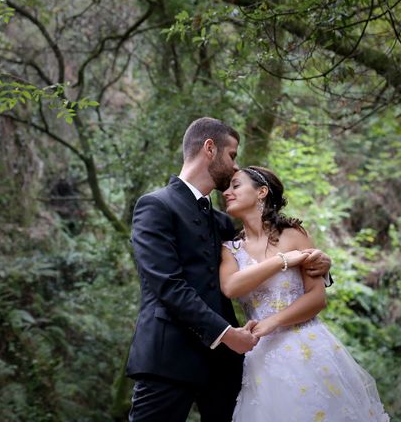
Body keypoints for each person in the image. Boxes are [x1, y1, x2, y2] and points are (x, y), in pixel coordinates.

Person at [126, 117, 331, 421]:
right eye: (232, 155)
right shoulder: (156, 205)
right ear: (210, 148)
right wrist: (225, 333)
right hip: (168, 357)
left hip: (225, 366)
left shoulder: (222, 223)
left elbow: (258, 257)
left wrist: (322, 264)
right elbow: (166, 284)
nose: (235, 167)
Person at [220, 165, 389, 421]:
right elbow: (231, 287)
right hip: (264, 357)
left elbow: (317, 297)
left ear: (261, 192)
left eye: (235, 185)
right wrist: (282, 261)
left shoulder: (295, 235)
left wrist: (272, 322)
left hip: (309, 345)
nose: (226, 192)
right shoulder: (230, 249)